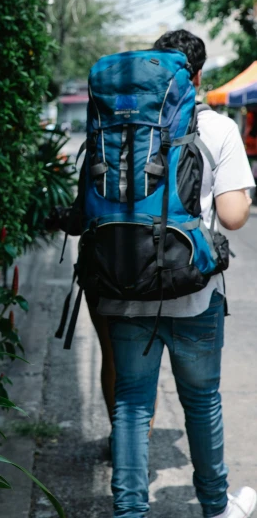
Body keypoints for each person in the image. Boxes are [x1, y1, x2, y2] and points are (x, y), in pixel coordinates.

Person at [98, 30, 255, 518]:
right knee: (202, 401)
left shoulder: (120, 121)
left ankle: (129, 513)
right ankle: (215, 507)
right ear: (199, 75)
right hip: (193, 294)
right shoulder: (219, 128)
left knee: (131, 404)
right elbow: (233, 217)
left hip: (123, 285)